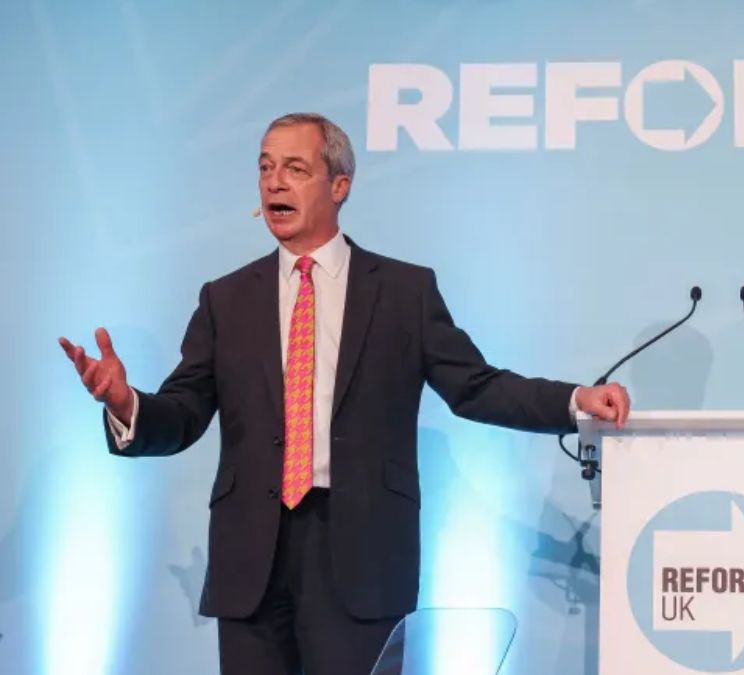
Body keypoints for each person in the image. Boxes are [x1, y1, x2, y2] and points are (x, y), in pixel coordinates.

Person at [58, 112, 631, 675]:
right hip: (252, 557)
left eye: (294, 168)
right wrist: (125, 403)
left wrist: (575, 399)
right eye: (265, 167)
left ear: (339, 185)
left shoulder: (404, 292)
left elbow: (475, 387)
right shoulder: (225, 299)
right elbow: (182, 414)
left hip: (362, 551)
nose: (274, 181)